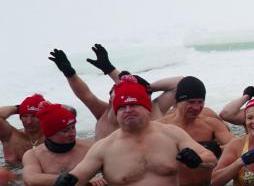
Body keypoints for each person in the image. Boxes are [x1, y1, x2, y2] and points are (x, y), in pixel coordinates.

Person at [53, 76, 217, 186]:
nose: (128, 110)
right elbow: (78, 179)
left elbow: (211, 159)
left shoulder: (172, 134)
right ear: (116, 113)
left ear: (147, 108)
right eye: (122, 107)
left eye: (134, 105)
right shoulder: (103, 147)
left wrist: (198, 160)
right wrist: (65, 183)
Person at [48, 46, 177, 140]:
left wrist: (147, 88)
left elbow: (179, 84)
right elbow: (85, 95)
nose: (127, 108)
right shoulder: (104, 112)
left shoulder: (154, 110)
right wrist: (70, 74)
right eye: (115, 94)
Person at [158, 76, 232, 186]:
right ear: (178, 102)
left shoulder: (211, 125)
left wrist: (217, 149)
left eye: (200, 102)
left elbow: (239, 145)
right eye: (191, 102)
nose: (197, 107)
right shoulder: (160, 127)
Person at [21, 103, 106, 186]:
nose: (72, 133)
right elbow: (31, 180)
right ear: (50, 134)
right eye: (65, 131)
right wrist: (81, 178)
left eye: (73, 128)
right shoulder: (33, 155)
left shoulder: (90, 147)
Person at [1, 94, 47, 165]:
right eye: (25, 116)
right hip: (13, 171)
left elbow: (66, 116)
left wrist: (52, 108)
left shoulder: (55, 136)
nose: (29, 121)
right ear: (20, 118)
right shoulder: (10, 136)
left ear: (44, 117)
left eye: (34, 116)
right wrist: (18, 108)